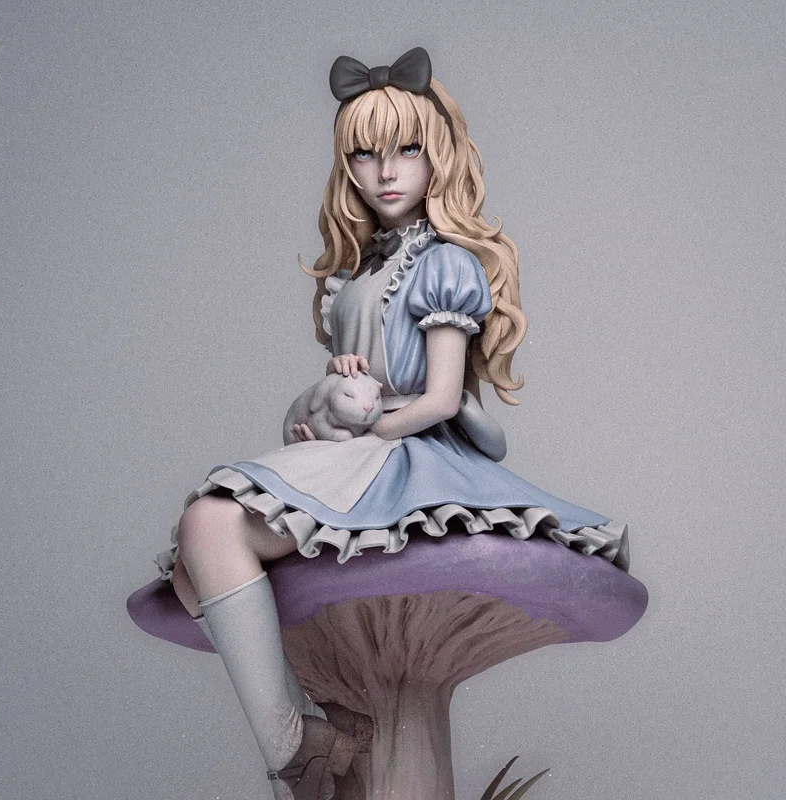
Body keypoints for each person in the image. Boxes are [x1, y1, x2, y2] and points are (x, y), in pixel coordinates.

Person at [158, 47, 628, 800]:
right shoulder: (356, 273)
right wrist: (319, 415)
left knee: (210, 526)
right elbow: (330, 391)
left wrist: (369, 427)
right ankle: (310, 735)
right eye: (365, 154)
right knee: (190, 566)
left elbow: (439, 399)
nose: (385, 171)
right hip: (354, 441)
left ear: (439, 157)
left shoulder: (444, 265)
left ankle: (298, 749)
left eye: (407, 149)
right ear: (346, 167)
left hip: (401, 450)